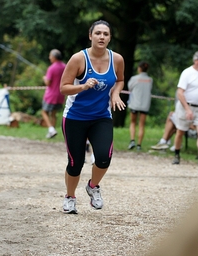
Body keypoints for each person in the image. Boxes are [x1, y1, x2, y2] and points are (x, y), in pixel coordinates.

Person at [59, 20, 125, 214]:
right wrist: (83, 86)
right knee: (75, 162)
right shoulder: (78, 59)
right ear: (90, 36)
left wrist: (115, 94)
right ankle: (70, 197)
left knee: (104, 157)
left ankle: (93, 186)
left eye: (106, 33)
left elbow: (120, 80)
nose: (101, 37)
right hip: (75, 117)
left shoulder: (117, 59)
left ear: (110, 37)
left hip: (101, 116)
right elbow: (63, 88)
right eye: (98, 33)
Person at [171, 51, 198, 167]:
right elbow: (180, 93)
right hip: (185, 106)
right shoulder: (187, 73)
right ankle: (176, 154)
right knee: (180, 131)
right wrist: (187, 109)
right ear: (196, 61)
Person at [127, 61, 153, 151]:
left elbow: (129, 87)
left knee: (133, 122)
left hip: (135, 104)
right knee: (142, 125)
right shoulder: (150, 80)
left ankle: (132, 140)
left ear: (139, 68)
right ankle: (139, 145)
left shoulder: (134, 78)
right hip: (145, 105)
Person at [42, 49, 66, 139]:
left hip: (51, 95)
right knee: (53, 114)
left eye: (50, 56)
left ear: (54, 57)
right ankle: (52, 132)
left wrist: (44, 78)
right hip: (61, 95)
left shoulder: (51, 68)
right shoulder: (65, 66)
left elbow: (48, 83)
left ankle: (51, 129)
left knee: (44, 112)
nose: (49, 58)